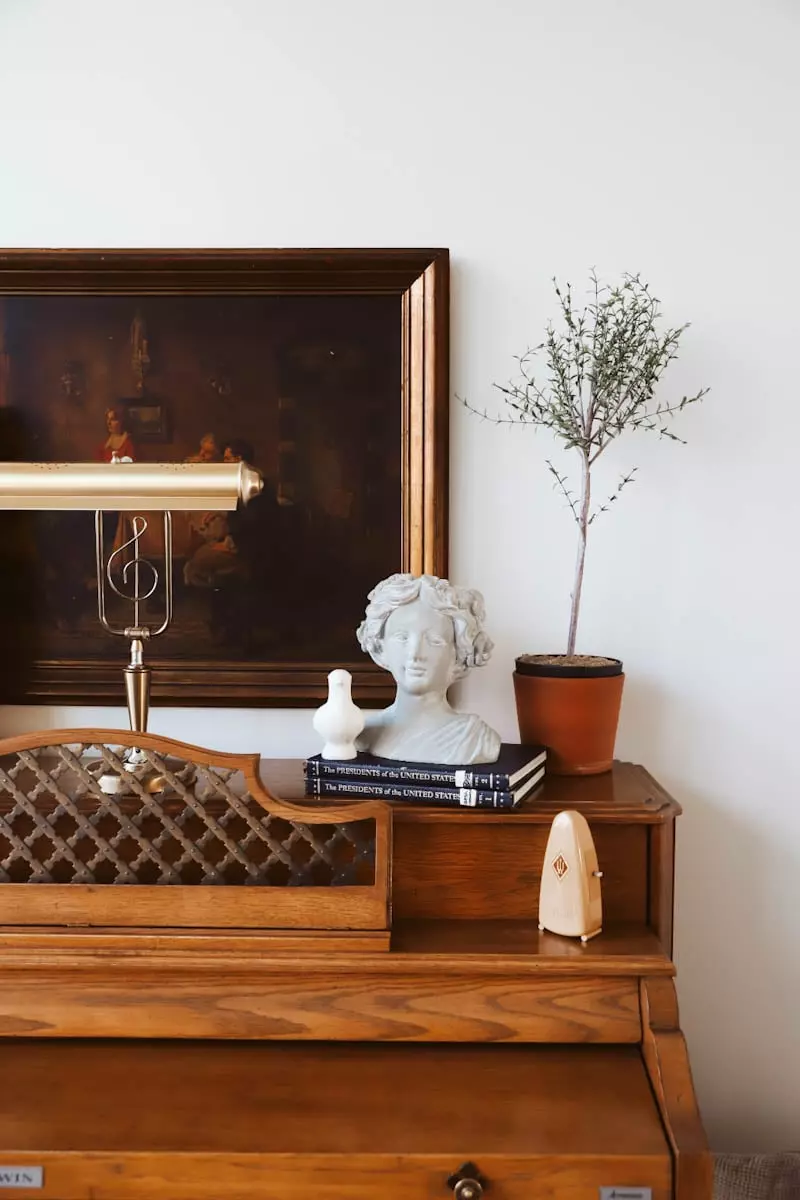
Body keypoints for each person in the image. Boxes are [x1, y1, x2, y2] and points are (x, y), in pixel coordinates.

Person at [356, 573, 501, 764]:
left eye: (434, 640)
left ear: (458, 654)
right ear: (380, 648)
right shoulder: (365, 733)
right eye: (402, 637)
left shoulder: (476, 739)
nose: (415, 653)